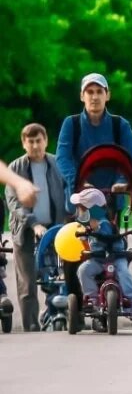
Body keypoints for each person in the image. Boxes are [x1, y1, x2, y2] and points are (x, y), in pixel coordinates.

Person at [55, 72, 132, 302]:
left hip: (112, 200)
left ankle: (120, 292)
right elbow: (62, 157)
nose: (94, 97)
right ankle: (79, 300)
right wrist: (79, 181)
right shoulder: (71, 124)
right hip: (80, 201)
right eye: (90, 92)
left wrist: (123, 180)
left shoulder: (119, 125)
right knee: (77, 253)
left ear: (108, 95)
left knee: (113, 249)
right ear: (82, 96)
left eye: (99, 92)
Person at [5, 124, 70, 332]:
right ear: (24, 144)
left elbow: (68, 191)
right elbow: (13, 202)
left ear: (46, 141)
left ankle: (62, 314)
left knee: (60, 274)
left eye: (38, 140)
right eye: (30, 141)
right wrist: (33, 224)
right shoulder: (15, 168)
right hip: (25, 232)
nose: (35, 145)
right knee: (27, 283)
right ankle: (31, 325)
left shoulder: (57, 164)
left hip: (56, 229)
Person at [72, 186, 132, 318]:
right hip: (98, 260)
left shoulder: (105, 224)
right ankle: (92, 297)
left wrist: (96, 230)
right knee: (83, 270)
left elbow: (106, 235)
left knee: (124, 272)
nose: (79, 213)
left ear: (93, 211)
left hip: (116, 258)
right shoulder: (87, 226)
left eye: (82, 209)